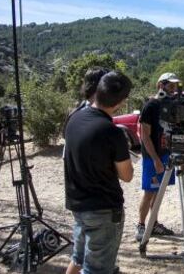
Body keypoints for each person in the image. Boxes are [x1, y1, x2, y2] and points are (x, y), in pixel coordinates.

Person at [64, 71, 134, 274]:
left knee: (78, 258)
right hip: (103, 210)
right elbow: (127, 175)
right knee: (96, 269)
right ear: (121, 102)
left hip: (78, 206)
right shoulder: (112, 132)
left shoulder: (74, 119)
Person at [135, 72, 180, 242]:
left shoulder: (171, 105)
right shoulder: (151, 106)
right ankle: (140, 224)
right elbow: (144, 135)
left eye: (175, 86)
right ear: (161, 85)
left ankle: (153, 224)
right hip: (153, 156)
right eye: (171, 85)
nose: (173, 89)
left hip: (167, 154)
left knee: (159, 192)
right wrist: (155, 159)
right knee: (149, 192)